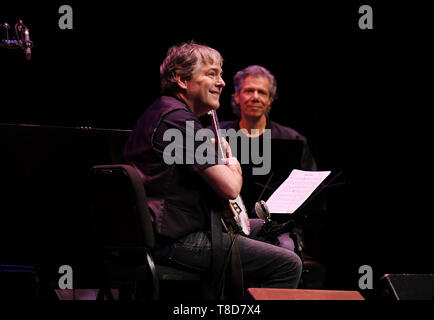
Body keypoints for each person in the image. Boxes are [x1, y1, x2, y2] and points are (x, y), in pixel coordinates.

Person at [123, 42, 302, 298]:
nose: (222, 82)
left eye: (220, 74)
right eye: (211, 74)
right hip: (175, 239)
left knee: (276, 228)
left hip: (174, 229)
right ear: (183, 80)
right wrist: (233, 164)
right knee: (287, 264)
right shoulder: (178, 121)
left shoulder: (167, 113)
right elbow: (229, 188)